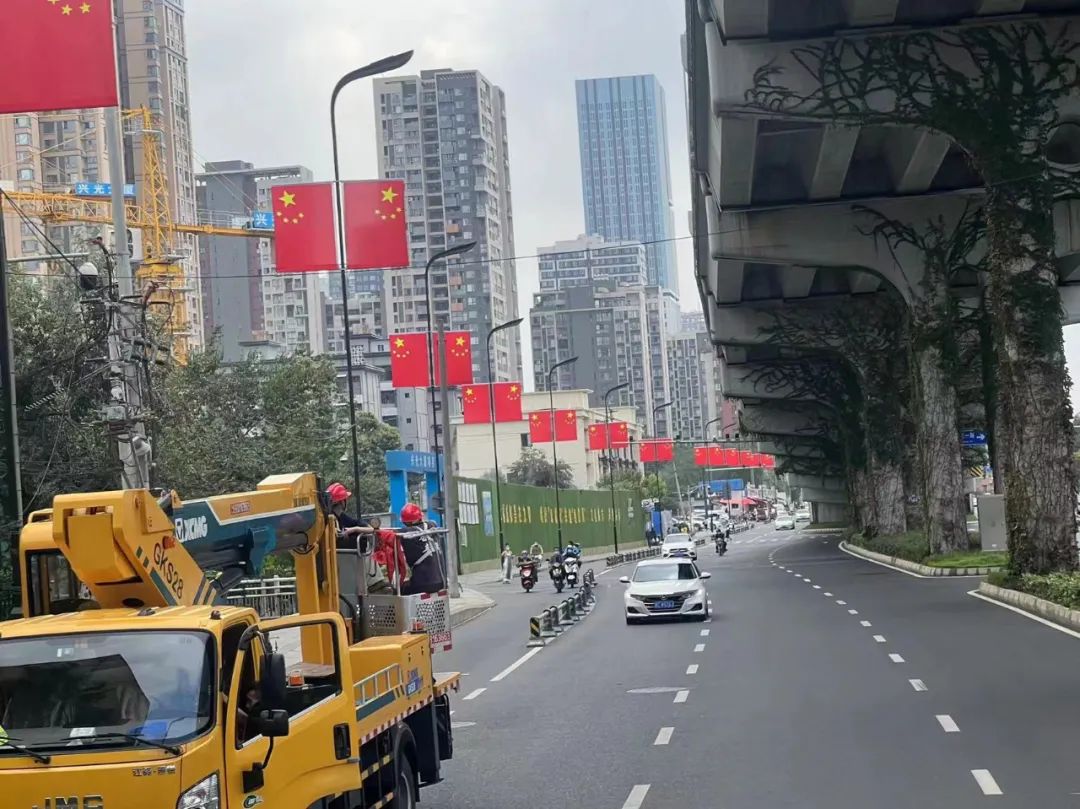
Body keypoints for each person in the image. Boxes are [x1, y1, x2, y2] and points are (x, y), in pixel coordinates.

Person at [398, 503, 447, 595]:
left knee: (400, 590)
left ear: (407, 522)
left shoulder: (405, 532)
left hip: (422, 585)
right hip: (442, 581)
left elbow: (390, 536)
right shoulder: (432, 525)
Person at [327, 482, 375, 550]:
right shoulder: (332, 520)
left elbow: (371, 529)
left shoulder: (341, 517)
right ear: (342, 502)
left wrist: (354, 529)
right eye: (346, 499)